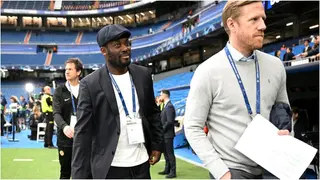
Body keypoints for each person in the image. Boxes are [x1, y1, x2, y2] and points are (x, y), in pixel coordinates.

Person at [184, 1, 291, 179]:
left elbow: (284, 113)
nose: (263, 26)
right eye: (254, 19)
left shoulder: (276, 66)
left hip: (272, 169)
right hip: (233, 171)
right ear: (232, 24)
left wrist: (286, 134)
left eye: (263, 18)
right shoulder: (208, 71)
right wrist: (222, 173)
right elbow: (193, 127)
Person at [72, 24, 163, 179]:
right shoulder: (90, 84)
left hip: (141, 163)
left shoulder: (143, 75)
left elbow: (152, 113)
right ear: (104, 51)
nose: (125, 48)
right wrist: (79, 176)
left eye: (127, 43)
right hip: (110, 167)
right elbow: (83, 133)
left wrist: (156, 144)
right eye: (117, 45)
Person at [53, 58, 83, 179]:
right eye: (66, 69)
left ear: (78, 72)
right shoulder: (59, 91)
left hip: (84, 138)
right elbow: (56, 113)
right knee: (65, 173)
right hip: (65, 139)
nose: (67, 72)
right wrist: (64, 127)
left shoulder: (86, 89)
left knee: (84, 172)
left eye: (70, 69)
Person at [158, 90, 176, 178]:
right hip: (165, 134)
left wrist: (162, 130)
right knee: (166, 153)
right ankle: (167, 169)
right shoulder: (165, 106)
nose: (159, 97)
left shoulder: (169, 107)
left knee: (170, 153)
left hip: (168, 134)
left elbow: (169, 122)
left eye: (160, 95)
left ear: (165, 95)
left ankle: (173, 171)